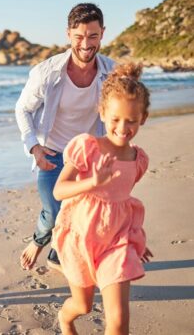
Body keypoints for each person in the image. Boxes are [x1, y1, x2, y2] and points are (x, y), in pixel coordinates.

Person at [51, 63, 153, 335]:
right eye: (116, 119)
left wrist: (136, 239)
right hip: (81, 237)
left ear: (143, 117)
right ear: (103, 112)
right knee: (82, 306)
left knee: (118, 322)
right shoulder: (88, 147)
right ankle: (65, 318)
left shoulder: (138, 159)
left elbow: (122, 202)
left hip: (117, 242)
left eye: (132, 120)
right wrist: (92, 182)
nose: (123, 127)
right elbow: (59, 191)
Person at [15, 3, 116, 271]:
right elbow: (23, 109)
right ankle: (39, 240)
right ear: (68, 34)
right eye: (79, 36)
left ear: (102, 34)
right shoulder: (46, 73)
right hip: (52, 153)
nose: (86, 44)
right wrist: (34, 147)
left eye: (93, 36)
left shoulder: (111, 72)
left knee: (82, 214)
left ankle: (57, 255)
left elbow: (126, 107)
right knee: (53, 213)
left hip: (88, 156)